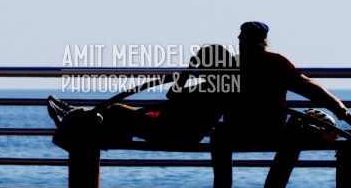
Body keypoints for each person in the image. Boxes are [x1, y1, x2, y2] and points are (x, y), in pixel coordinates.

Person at [211, 21, 351, 188]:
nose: (240, 39)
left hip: (238, 131)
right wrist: (338, 107)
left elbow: (213, 99)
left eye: (243, 37)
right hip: (270, 130)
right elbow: (305, 85)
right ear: (264, 41)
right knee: (293, 139)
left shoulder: (233, 66)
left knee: (219, 136)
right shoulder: (276, 63)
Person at [48, 44, 235, 149]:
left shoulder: (211, 90)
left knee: (115, 112)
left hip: (172, 133)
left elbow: (173, 95)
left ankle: (72, 118)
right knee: (114, 113)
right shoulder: (219, 88)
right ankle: (74, 117)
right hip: (174, 129)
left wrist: (187, 72)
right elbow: (174, 99)